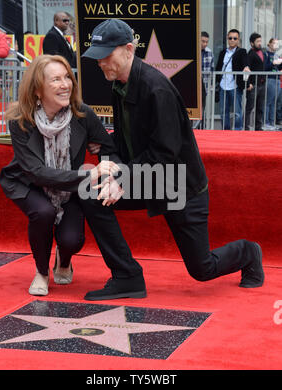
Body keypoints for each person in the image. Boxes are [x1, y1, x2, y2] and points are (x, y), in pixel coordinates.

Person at [81, 19, 264, 300]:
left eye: (106, 55)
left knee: (202, 269)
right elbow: (128, 137)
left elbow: (165, 154)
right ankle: (127, 276)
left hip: (179, 184)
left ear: (129, 49)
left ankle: (249, 252)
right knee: (89, 194)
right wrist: (106, 151)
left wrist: (123, 179)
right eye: (97, 56)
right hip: (152, 177)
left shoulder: (157, 89)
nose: (100, 63)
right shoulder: (120, 83)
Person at [0, 54, 146, 298]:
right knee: (43, 212)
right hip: (29, 182)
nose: (65, 84)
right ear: (37, 90)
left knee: (72, 240)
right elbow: (35, 171)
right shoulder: (20, 121)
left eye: (67, 77)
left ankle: (63, 258)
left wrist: (113, 177)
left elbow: (108, 148)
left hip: (70, 186)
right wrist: (88, 175)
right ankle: (41, 272)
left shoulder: (82, 114)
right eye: (55, 79)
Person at [215, 29, 249, 130]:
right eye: (230, 38)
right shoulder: (222, 52)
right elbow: (218, 67)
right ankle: (226, 131)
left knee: (237, 112)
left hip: (235, 85)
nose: (232, 40)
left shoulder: (242, 52)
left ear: (238, 40)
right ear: (227, 39)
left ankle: (238, 131)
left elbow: (245, 62)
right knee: (223, 111)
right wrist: (217, 80)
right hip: (223, 85)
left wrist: (246, 67)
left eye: (235, 38)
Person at [245, 33, 266, 131]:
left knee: (260, 107)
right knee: (250, 107)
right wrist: (248, 83)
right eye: (257, 41)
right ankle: (247, 127)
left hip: (262, 83)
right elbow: (247, 68)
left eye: (260, 41)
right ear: (252, 43)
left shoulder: (262, 52)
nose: (259, 43)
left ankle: (258, 127)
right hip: (253, 84)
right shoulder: (251, 53)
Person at [263, 38, 282, 129]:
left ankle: (272, 122)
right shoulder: (266, 54)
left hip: (277, 79)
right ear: (269, 44)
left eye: (277, 43)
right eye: (274, 43)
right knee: (268, 102)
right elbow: (265, 67)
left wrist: (280, 62)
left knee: (274, 102)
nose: (276, 45)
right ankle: (266, 122)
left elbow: (279, 67)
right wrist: (273, 63)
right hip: (270, 79)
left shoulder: (277, 55)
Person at [201, 31, 214, 128]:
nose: (205, 44)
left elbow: (212, 69)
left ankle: (202, 127)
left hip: (204, 84)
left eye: (206, 42)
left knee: (203, 108)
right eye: (202, 41)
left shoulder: (209, 52)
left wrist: (212, 84)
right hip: (192, 84)